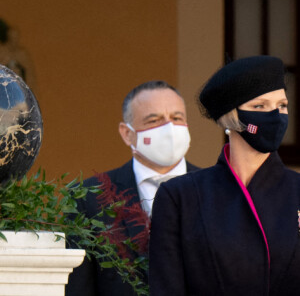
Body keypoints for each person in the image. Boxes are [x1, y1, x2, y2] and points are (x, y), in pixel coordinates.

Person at [149, 56, 300, 296]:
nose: (275, 115)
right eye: (259, 106)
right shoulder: (180, 197)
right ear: (232, 116)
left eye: (281, 105)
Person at [66, 80, 198, 296]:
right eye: (153, 120)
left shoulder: (218, 189)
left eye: (177, 118)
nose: (169, 128)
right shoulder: (89, 198)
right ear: (127, 134)